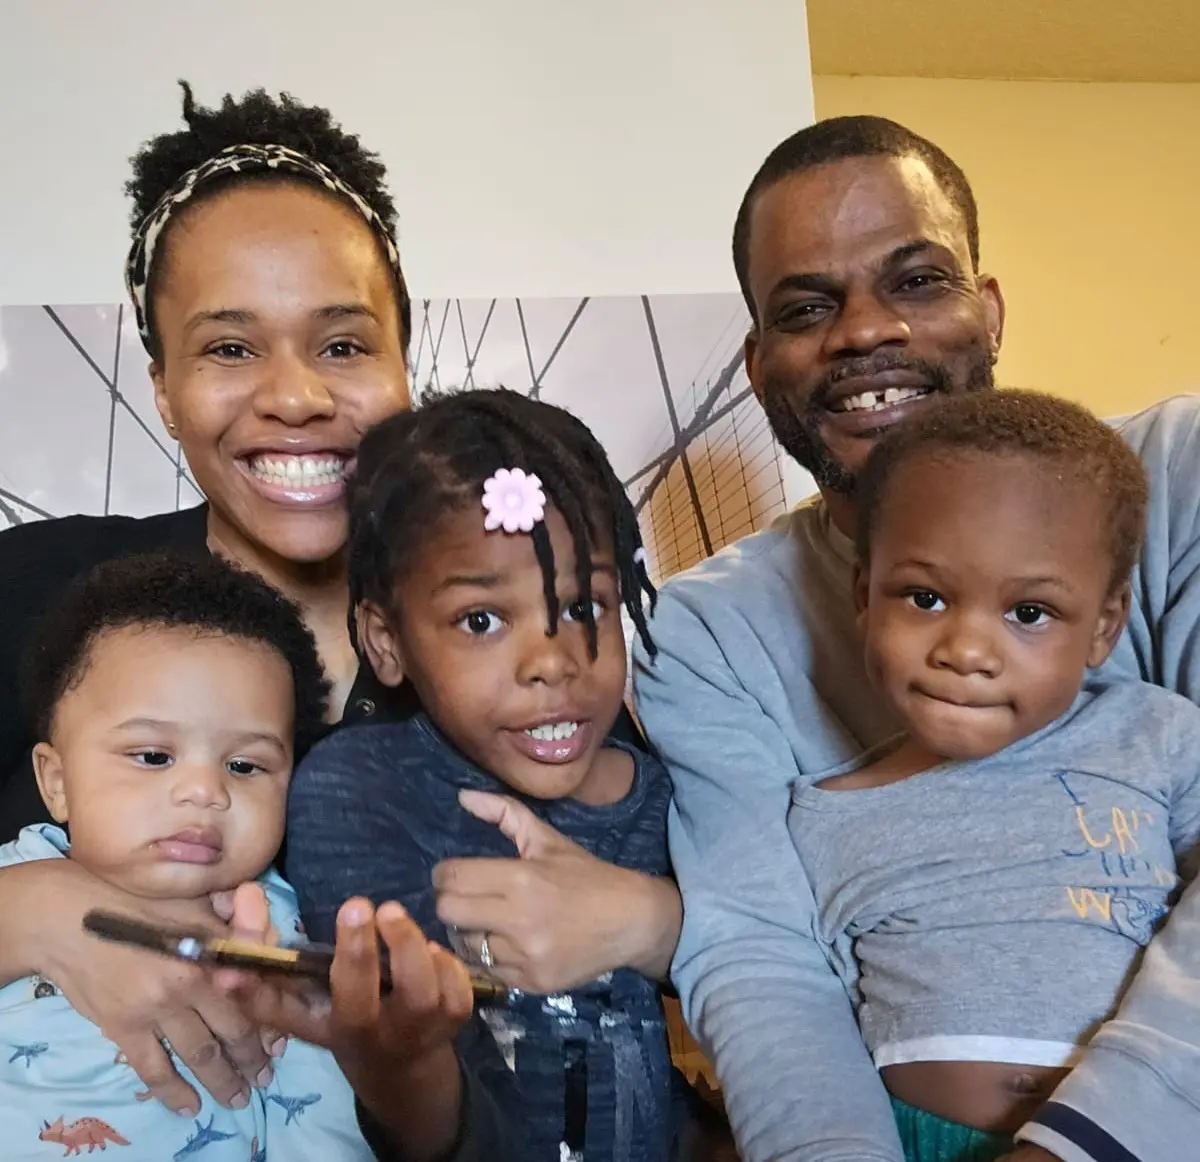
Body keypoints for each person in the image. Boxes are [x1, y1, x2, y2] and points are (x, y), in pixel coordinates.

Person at [0, 82, 681, 1127]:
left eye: (344, 345)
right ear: (163, 385)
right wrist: (31, 910)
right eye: (230, 348)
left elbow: (702, 922)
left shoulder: (523, 654)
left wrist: (651, 923)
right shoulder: (43, 589)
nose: (297, 397)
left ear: (404, 361)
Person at [633, 115, 1200, 1162]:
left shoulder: (1176, 475)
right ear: (757, 366)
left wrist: (1088, 1142)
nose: (864, 332)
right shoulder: (705, 635)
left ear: (989, 310)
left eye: (918, 280)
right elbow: (763, 956)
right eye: (807, 307)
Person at [216, 387, 732, 1162]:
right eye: (482, 620)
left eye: (584, 608)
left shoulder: (668, 794)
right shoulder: (358, 794)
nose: (552, 662)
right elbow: (425, 1117)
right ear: (386, 642)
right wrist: (404, 1066)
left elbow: (775, 977)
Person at [802, 389, 1199, 1161]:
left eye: (1029, 613)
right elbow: (808, 1017)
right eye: (925, 598)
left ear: (1104, 627)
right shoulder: (820, 818)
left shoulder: (1159, 736)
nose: (967, 650)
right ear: (863, 597)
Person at [1, 552, 375, 1160]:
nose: (205, 791)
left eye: (244, 765)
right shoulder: (15, 874)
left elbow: (325, 1125)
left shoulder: (287, 935)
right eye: (153, 756)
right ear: (57, 781)